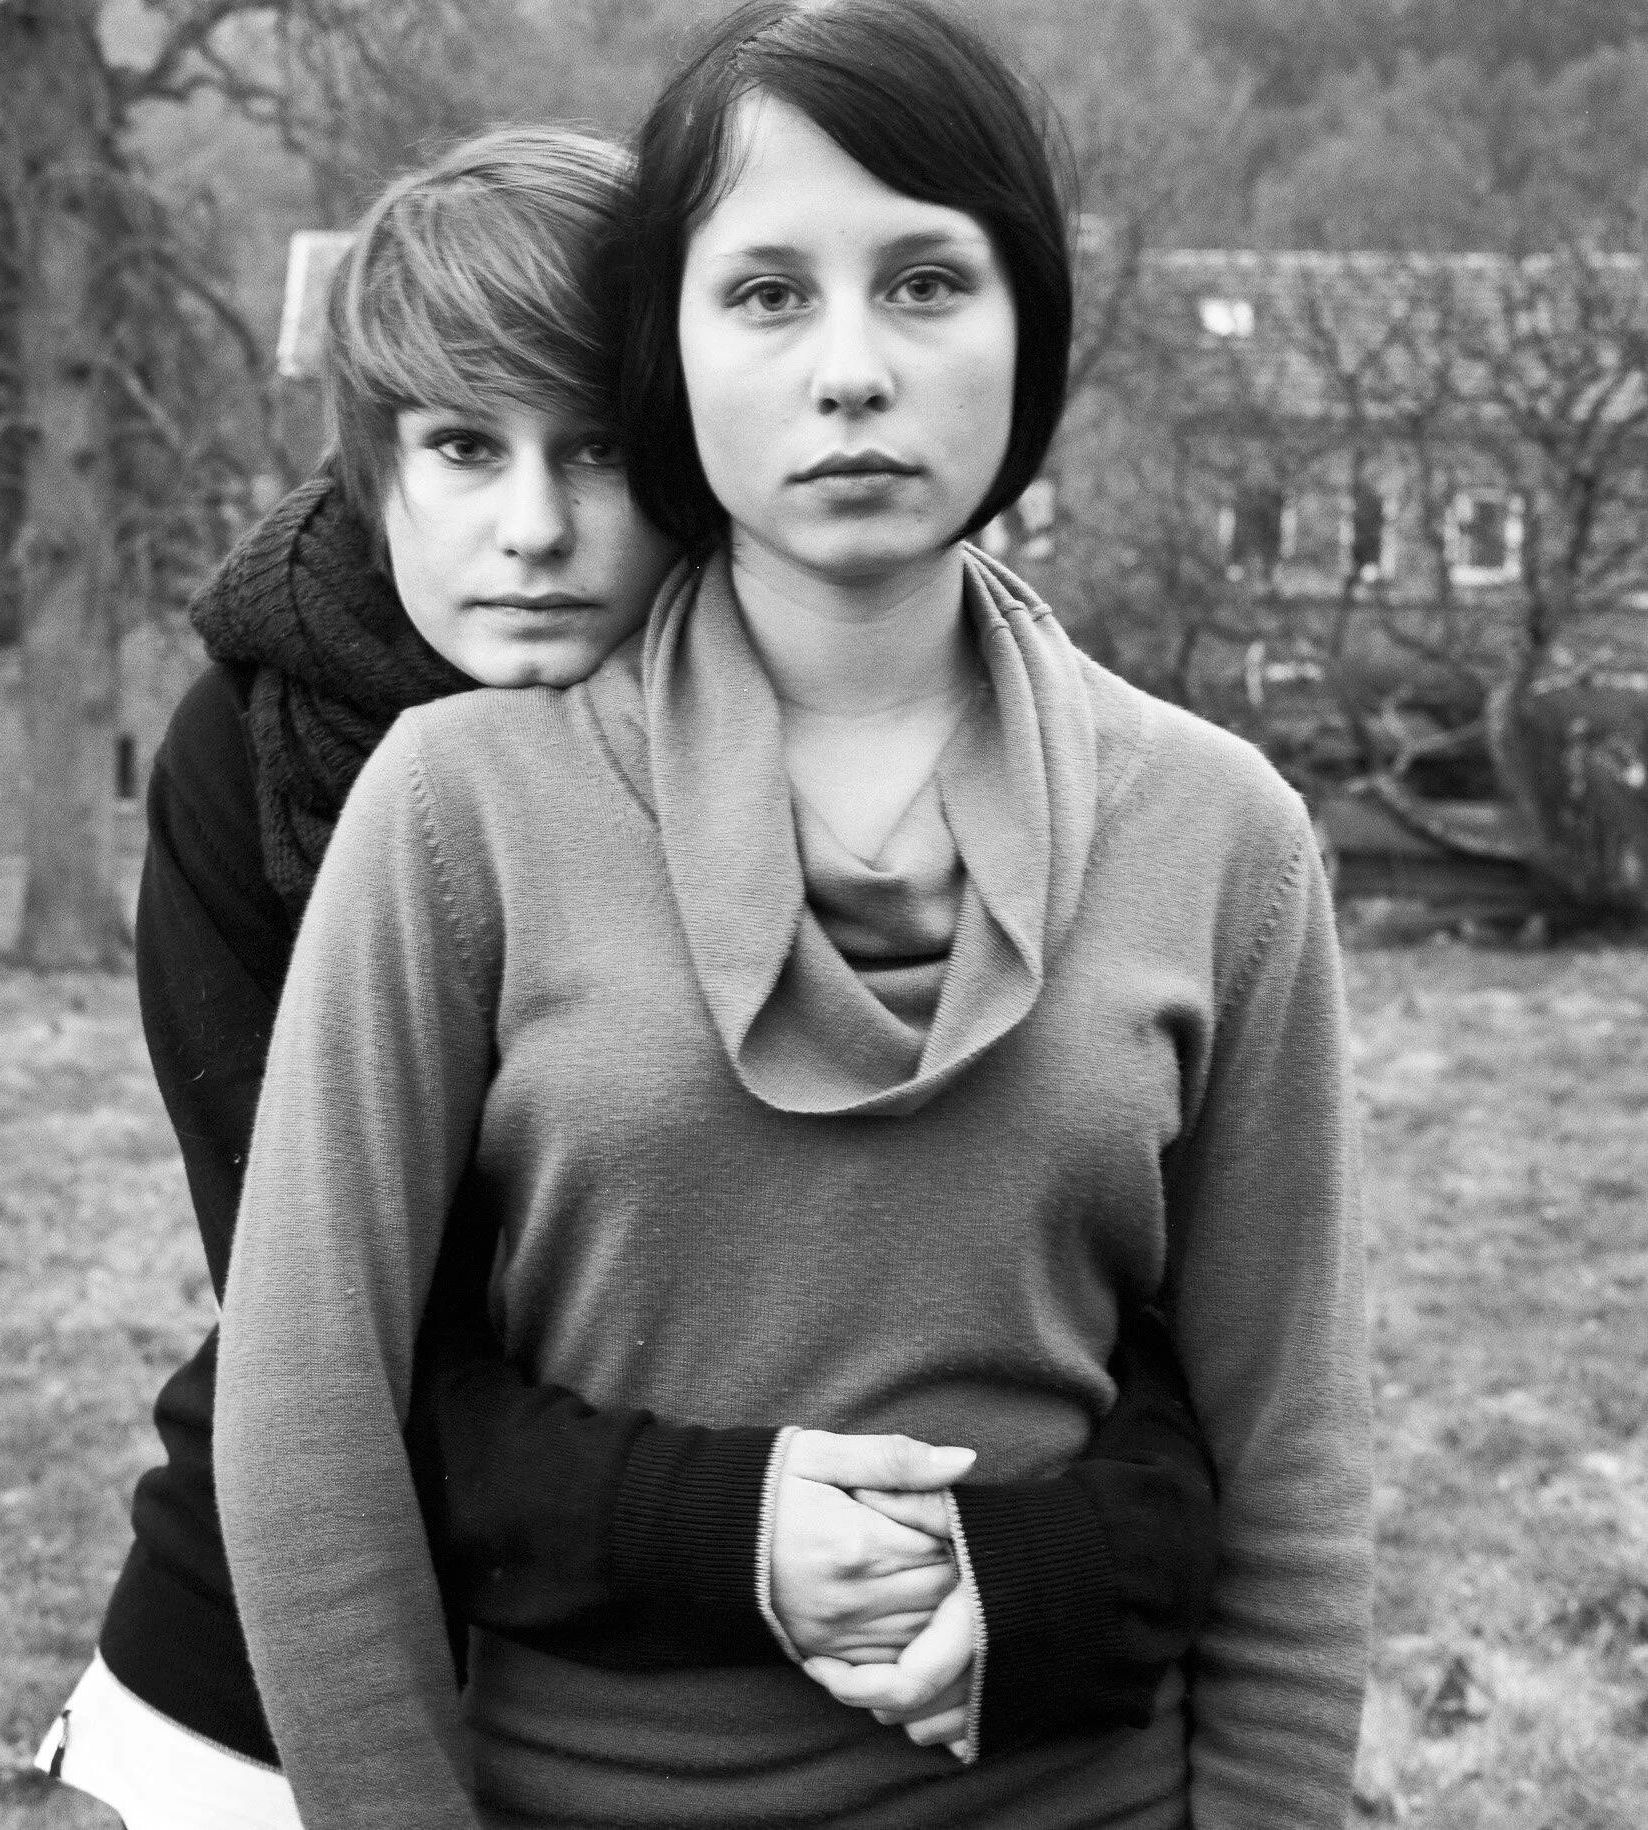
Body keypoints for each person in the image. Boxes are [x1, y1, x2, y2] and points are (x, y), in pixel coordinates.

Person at [211, 7, 1370, 1830]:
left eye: (923, 281)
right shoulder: (456, 808)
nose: (849, 369)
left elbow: (1291, 1449)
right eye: (763, 293)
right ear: (669, 356)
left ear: (1029, 331)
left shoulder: (1224, 835)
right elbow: (305, 1426)